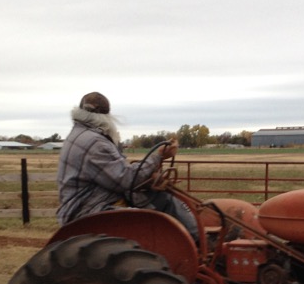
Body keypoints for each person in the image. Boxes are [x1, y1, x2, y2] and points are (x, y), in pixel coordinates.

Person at [56, 92, 198, 237]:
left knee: (161, 199)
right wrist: (159, 156)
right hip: (90, 208)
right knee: (154, 219)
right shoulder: (95, 143)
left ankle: (195, 239)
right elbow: (126, 178)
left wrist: (148, 179)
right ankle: (198, 239)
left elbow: (115, 174)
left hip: (90, 202)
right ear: (105, 116)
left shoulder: (80, 135)